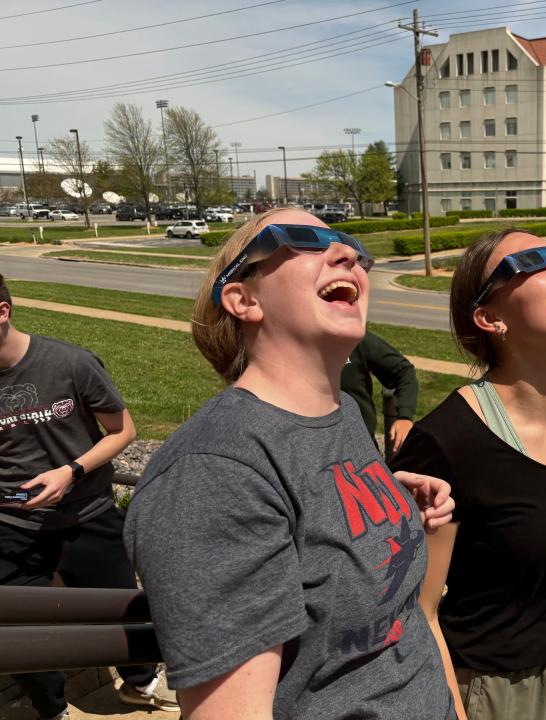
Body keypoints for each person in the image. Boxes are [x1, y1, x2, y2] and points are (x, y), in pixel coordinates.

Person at [124, 209, 456, 720]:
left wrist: (388, 500)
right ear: (244, 299)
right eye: (301, 239)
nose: (348, 253)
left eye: (350, 246)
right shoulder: (213, 475)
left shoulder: (340, 413)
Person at [391, 228, 546, 719]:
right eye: (532, 262)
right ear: (490, 317)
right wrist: (453, 708)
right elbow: (418, 609)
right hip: (494, 693)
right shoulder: (442, 444)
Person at [0, 274, 177, 720]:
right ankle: (52, 709)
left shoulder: (70, 364)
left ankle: (139, 684)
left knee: (124, 611)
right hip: (12, 529)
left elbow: (124, 431)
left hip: (88, 515)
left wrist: (70, 471)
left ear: (2, 313)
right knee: (17, 632)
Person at [341, 330, 418, 453]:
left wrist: (405, 416)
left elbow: (404, 371)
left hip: (359, 447)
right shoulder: (300, 343)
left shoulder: (355, 339)